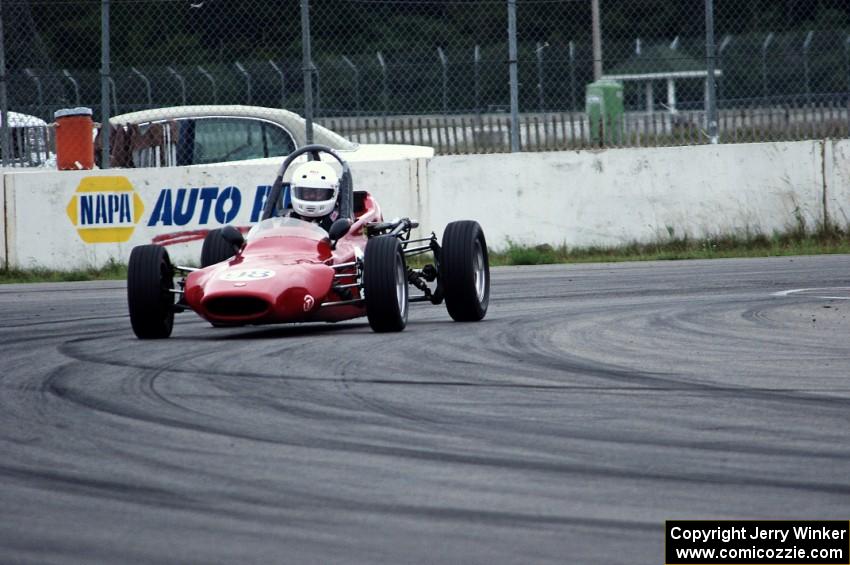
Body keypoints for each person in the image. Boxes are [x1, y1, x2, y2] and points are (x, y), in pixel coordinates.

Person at [287, 161, 341, 231]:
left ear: (333, 193)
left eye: (319, 193)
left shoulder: (338, 222)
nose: (312, 196)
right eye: (307, 192)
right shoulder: (289, 220)